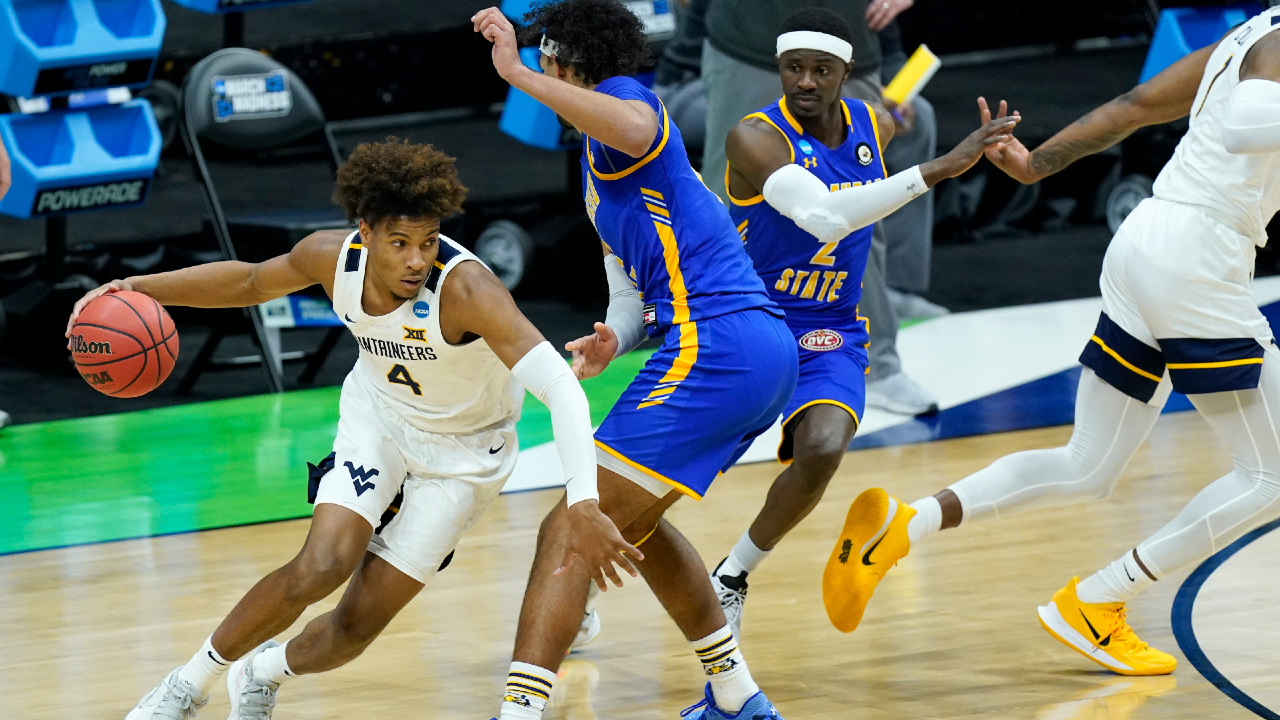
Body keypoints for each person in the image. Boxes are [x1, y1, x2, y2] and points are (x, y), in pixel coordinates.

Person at [69, 139, 606, 719]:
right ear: (365, 232)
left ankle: (262, 671)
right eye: (399, 243)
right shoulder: (330, 258)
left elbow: (561, 387)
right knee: (322, 564)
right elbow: (248, 282)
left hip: (465, 454)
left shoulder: (467, 290)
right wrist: (139, 288)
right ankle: (185, 687)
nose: (416, 260)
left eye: (428, 241)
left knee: (354, 629)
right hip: (379, 419)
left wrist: (583, 501)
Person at [827, 7, 1280, 677]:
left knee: (1087, 463)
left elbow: (1135, 105)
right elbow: (1244, 127)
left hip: (1148, 240)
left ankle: (905, 524)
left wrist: (1037, 163)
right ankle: (1099, 599)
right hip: (1196, 258)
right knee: (1271, 473)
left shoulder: (1250, 32)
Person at [473, 2, 797, 718]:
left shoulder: (629, 103)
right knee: (635, 522)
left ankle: (519, 713)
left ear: (561, 64)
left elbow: (634, 127)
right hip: (744, 349)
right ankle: (737, 696)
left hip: (718, 344)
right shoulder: (596, 171)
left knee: (570, 524)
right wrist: (616, 337)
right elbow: (628, 289)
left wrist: (514, 73)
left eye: (546, 66)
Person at [709, 8, 1017, 633]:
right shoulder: (754, 136)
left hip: (827, 328)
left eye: (821, 70)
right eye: (793, 68)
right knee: (669, 475)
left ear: (847, 73)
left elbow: (885, 125)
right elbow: (825, 217)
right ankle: (587, 581)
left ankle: (732, 575)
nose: (805, 82)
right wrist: (942, 166)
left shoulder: (873, 124)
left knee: (823, 446)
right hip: (748, 322)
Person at [701, 0, 941, 416]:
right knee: (726, 212)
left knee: (860, 211)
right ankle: (710, 356)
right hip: (749, 43)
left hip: (854, 46)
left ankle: (876, 365)